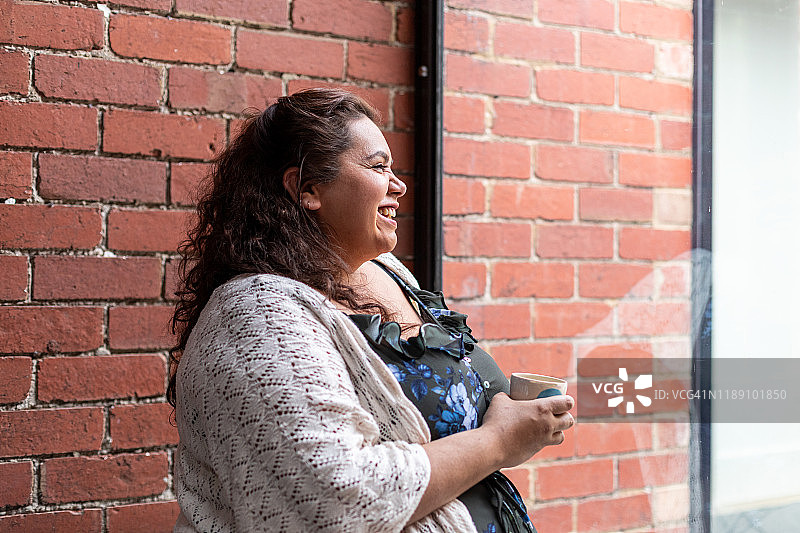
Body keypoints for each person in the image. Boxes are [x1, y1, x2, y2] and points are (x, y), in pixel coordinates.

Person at [168, 88, 574, 533]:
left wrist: (524, 419)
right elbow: (329, 505)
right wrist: (498, 442)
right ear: (307, 189)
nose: (398, 185)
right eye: (378, 167)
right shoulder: (257, 316)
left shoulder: (385, 272)